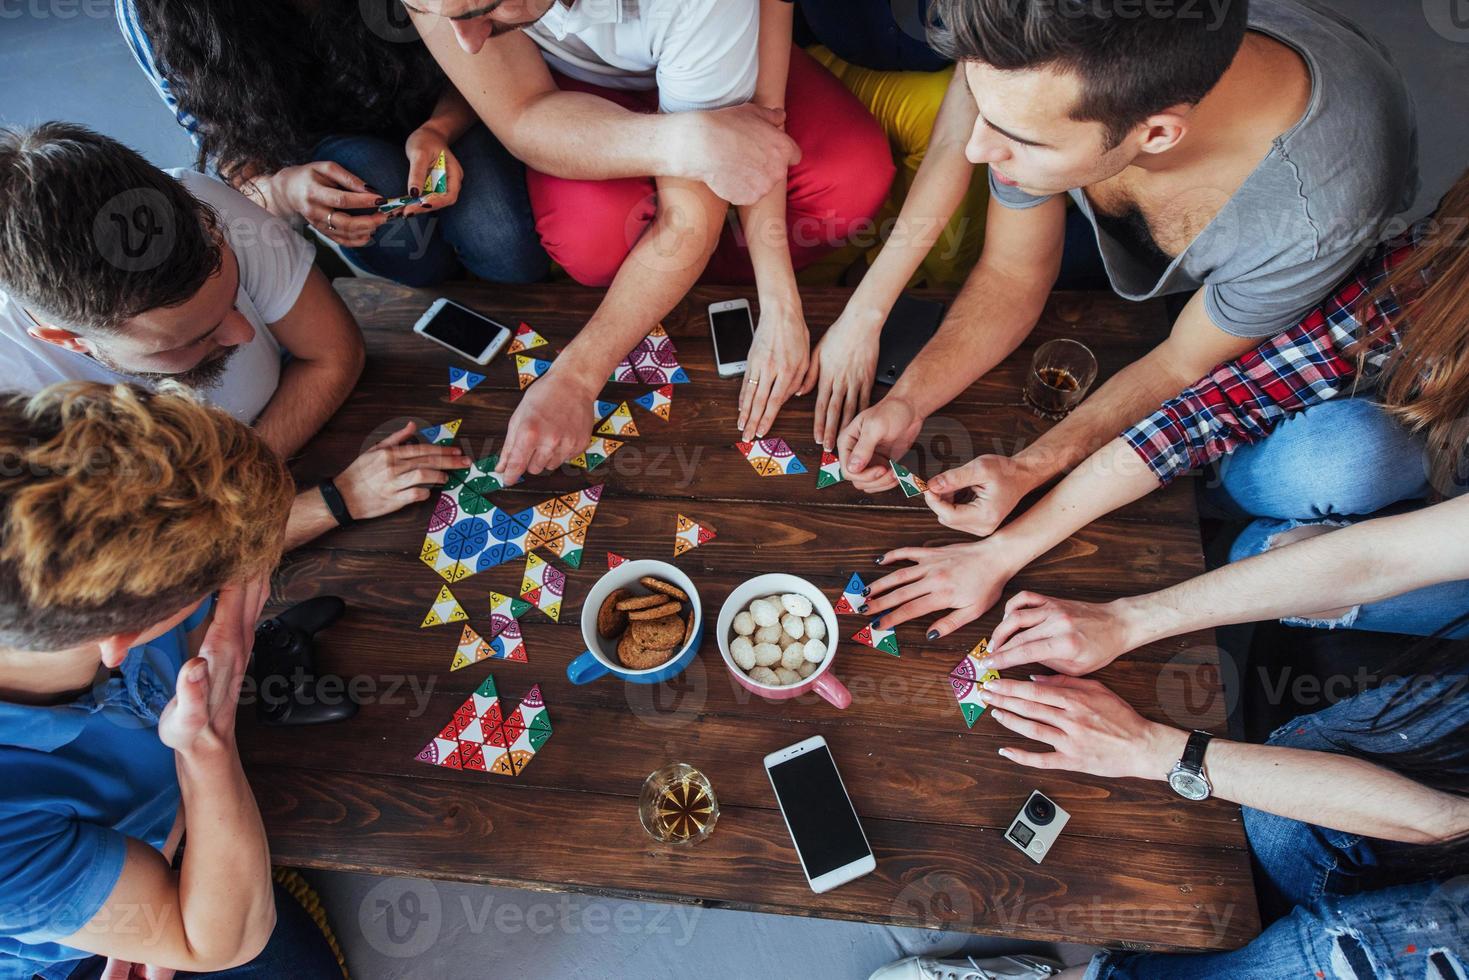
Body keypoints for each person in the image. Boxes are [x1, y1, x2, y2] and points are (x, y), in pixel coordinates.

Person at [831, 0, 1417, 513]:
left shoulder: (1308, 223)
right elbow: (1013, 274)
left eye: (1019, 137)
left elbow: (1179, 367)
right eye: (980, 106)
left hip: (1259, 250)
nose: (975, 148)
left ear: (1157, 135)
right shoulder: (1039, 78)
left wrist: (1029, 469)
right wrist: (908, 401)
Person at [862, 170, 1469, 641]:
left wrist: (1129, 622)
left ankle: (1250, 560)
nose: (985, 156)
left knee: (1295, 557)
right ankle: (1228, 517)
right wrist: (1006, 540)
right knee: (1355, 456)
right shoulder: (1438, 273)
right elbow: (1213, 403)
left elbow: (1386, 560)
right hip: (1402, 461)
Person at [402, 0, 897, 479]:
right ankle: (673, 272)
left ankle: (696, 273)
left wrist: (779, 299)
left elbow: (691, 216)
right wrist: (682, 143)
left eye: (482, 9)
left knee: (852, 184)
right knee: (591, 245)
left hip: (720, 55)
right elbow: (522, 118)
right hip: (575, 94)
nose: (464, 43)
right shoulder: (452, 11)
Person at [866, 631, 1469, 979]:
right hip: (1427, 818)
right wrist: (1124, 620)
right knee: (1305, 773)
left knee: (1351, 951)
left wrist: (1154, 748)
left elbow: (1441, 820)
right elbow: (1387, 555)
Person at [0, 382, 343, 980]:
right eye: (213, 585)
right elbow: (218, 942)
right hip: (73, 941)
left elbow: (233, 535)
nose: (235, 590)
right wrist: (209, 741)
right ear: (122, 640)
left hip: (141, 840)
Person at [0, 123, 466, 552]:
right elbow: (128, 573)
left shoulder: (209, 204)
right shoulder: (15, 399)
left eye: (235, 295)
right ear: (65, 340)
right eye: (192, 338)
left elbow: (332, 355)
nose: (244, 333)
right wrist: (330, 504)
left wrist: (228, 489)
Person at [118, 0, 550, 287]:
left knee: (506, 244)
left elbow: (485, 58)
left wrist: (439, 128)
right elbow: (241, 173)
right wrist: (287, 190)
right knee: (391, 219)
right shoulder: (158, 14)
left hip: (454, 99)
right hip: (323, 147)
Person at [791, 0, 990, 293]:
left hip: (960, 84)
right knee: (849, 179)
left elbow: (957, 127)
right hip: (818, 61)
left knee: (966, 134)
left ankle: (933, 290)